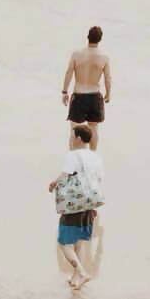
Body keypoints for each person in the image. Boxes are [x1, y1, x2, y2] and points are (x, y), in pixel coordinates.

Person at [48, 124, 103, 289]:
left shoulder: (73, 155)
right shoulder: (96, 157)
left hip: (74, 205)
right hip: (89, 204)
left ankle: (81, 271)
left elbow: (64, 176)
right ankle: (75, 278)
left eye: (72, 136)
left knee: (64, 243)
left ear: (78, 138)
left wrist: (53, 184)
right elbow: (99, 178)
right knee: (78, 241)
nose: (70, 139)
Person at [62, 25, 111, 149]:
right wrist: (108, 94)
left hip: (79, 96)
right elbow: (107, 78)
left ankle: (73, 158)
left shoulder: (77, 54)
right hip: (95, 96)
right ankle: (92, 157)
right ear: (100, 39)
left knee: (74, 130)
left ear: (88, 37)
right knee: (93, 129)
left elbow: (69, 72)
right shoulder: (104, 57)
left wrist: (64, 91)